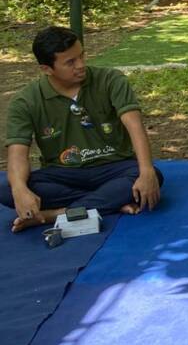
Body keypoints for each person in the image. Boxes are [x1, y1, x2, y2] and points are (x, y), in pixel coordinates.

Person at [3, 26, 162, 232]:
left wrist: (147, 171)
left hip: (114, 168)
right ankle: (106, 203)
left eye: (81, 56)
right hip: (63, 174)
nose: (81, 65)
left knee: (152, 175)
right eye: (70, 62)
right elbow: (17, 153)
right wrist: (19, 190)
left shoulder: (110, 80)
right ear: (46, 69)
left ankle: (56, 215)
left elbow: (134, 125)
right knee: (9, 190)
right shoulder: (25, 101)